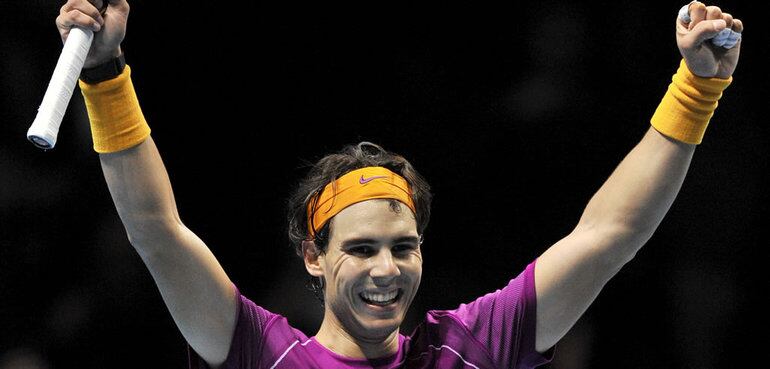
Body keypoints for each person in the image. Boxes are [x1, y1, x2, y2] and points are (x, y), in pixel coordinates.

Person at [55, 0, 743, 368]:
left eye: (402, 245)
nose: (387, 269)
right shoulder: (259, 350)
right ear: (313, 256)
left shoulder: (474, 344)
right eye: (360, 248)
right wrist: (106, 74)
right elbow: (155, 231)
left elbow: (610, 233)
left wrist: (698, 88)